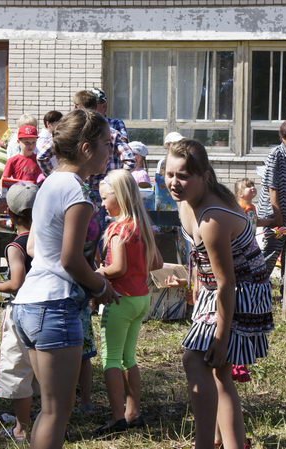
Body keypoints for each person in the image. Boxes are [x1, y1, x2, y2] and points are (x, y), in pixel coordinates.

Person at [13, 109, 118, 449]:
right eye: (106, 143)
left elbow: (32, 245)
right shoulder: (77, 192)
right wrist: (101, 285)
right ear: (86, 149)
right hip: (55, 306)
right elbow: (71, 259)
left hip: (30, 303)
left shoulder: (50, 183)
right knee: (58, 410)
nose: (110, 151)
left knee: (49, 408)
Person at [164, 139, 274, 449]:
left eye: (183, 175)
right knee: (219, 373)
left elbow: (228, 283)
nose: (174, 182)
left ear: (204, 176)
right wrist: (194, 290)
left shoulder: (212, 219)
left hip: (243, 291)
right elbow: (205, 265)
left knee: (195, 360)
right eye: (169, 173)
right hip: (217, 289)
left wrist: (221, 339)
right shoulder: (185, 202)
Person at [94, 169, 163, 435]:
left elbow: (118, 268)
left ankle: (116, 417)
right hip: (141, 298)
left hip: (120, 300)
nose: (102, 204)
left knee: (110, 358)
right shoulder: (142, 226)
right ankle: (133, 411)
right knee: (128, 357)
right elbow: (156, 262)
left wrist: (97, 272)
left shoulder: (117, 228)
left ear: (119, 196)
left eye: (104, 198)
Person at [0, 183, 38, 443]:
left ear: (10, 214)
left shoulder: (16, 246)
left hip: (21, 311)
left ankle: (21, 427)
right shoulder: (49, 239)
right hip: (46, 308)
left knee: (18, 370)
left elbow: (17, 281)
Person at [256, 120, 286, 293]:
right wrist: (277, 215)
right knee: (272, 250)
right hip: (276, 213)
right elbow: (272, 186)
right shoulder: (276, 154)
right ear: (284, 137)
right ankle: (256, 286)